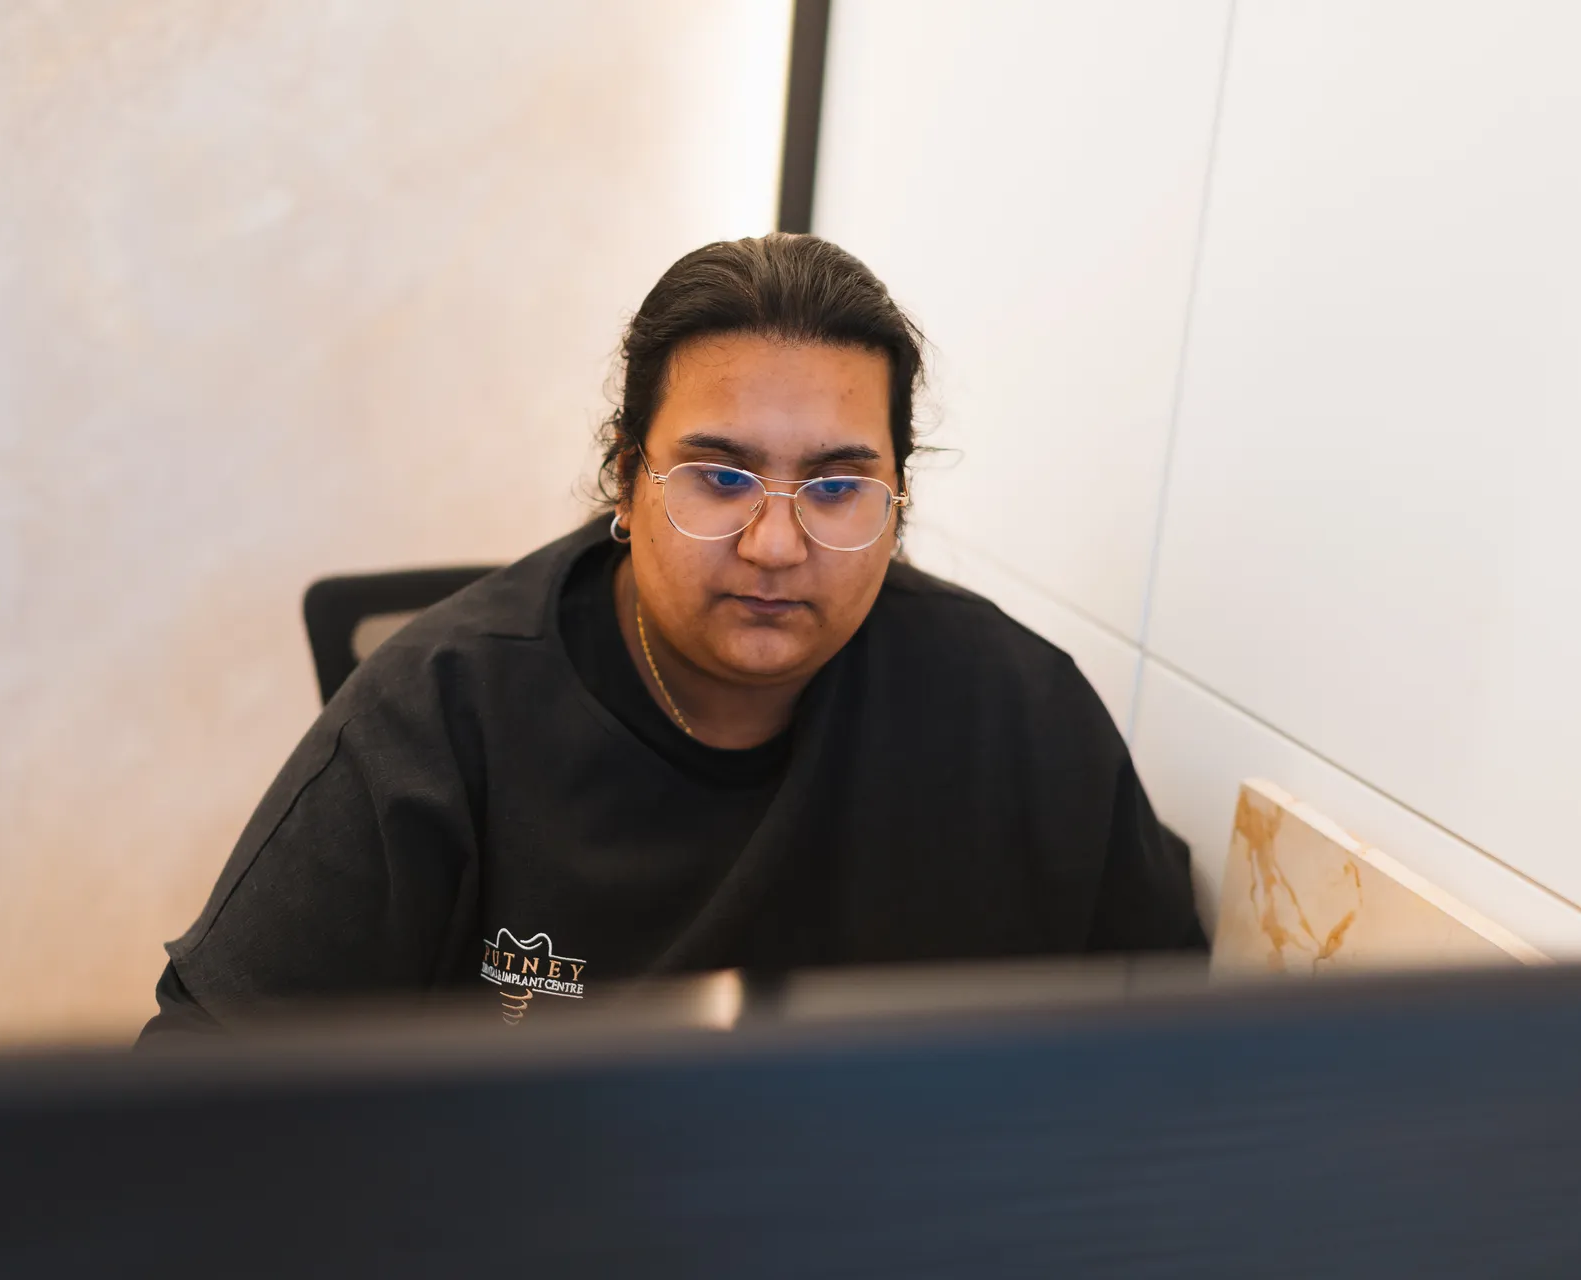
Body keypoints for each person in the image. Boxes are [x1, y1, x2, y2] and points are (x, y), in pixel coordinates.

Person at [142, 233, 1204, 1039]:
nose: (777, 541)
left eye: (838, 485)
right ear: (625, 477)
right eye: (721, 475)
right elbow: (195, 1097)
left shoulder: (1014, 714)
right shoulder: (436, 716)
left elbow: (1176, 1057)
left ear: (898, 497)